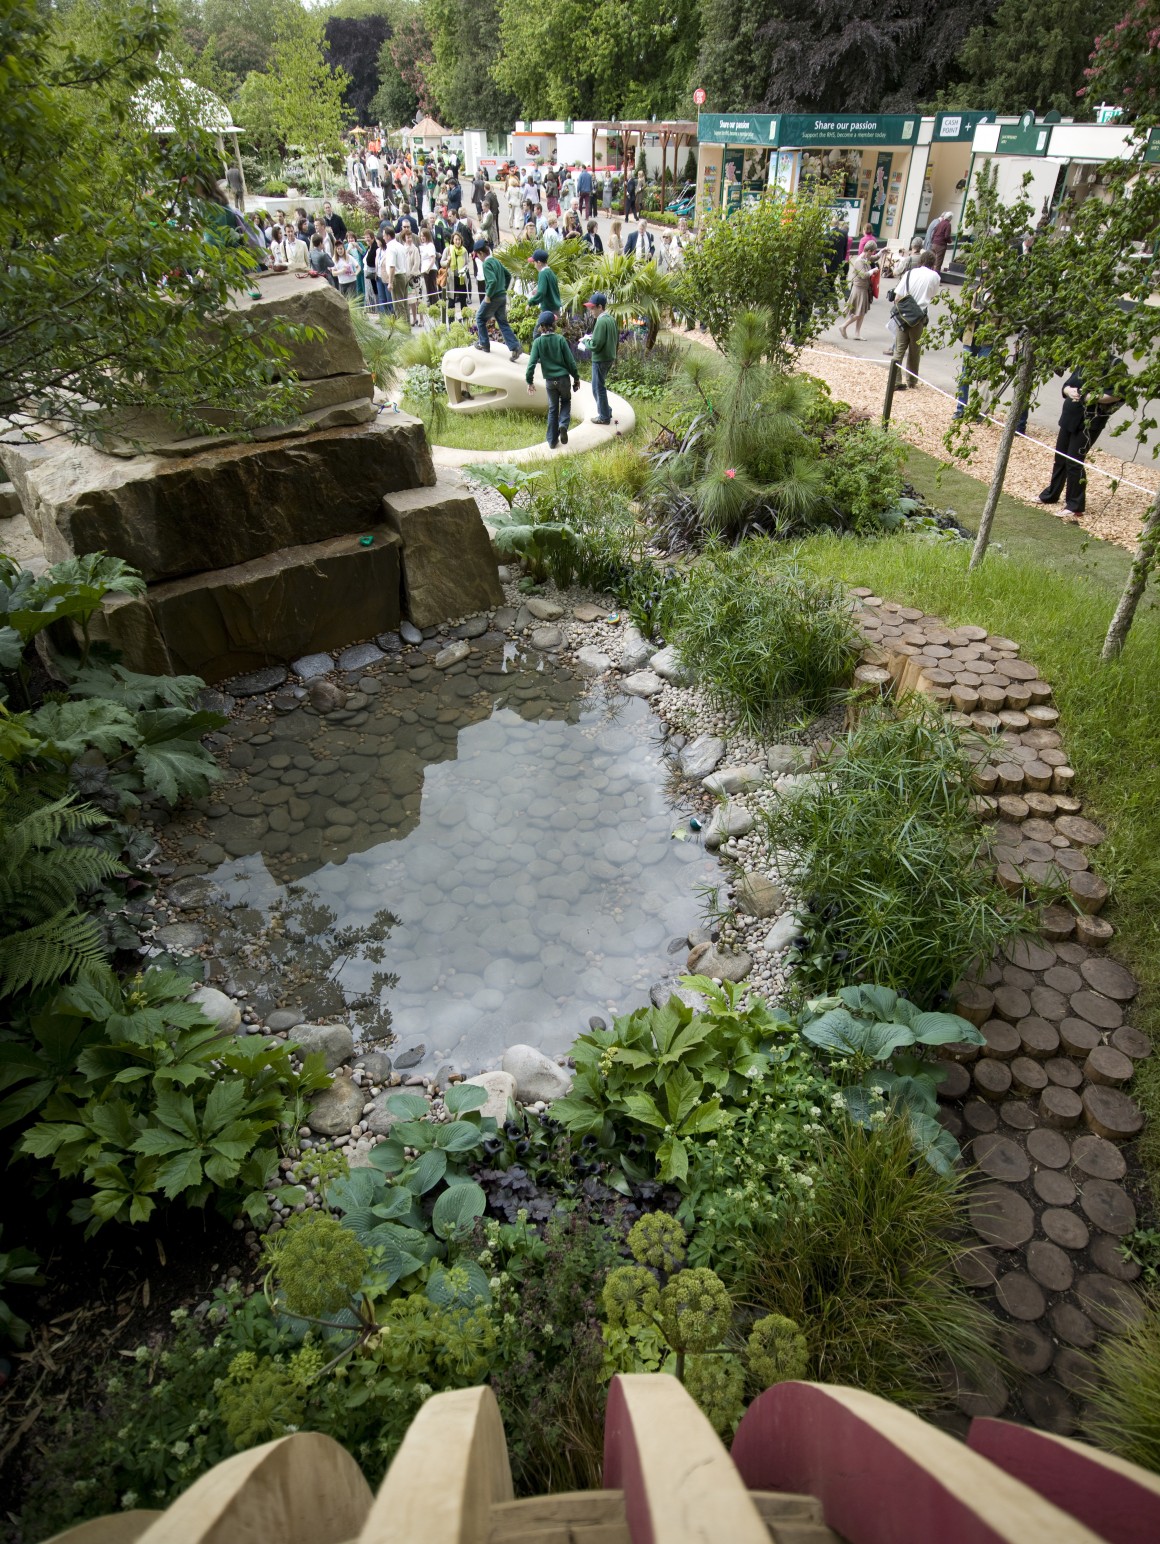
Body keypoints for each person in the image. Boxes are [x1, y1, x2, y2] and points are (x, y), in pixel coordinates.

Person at [1039, 367, 1123, 517]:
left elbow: (1116, 394)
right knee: (1060, 457)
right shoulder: (1084, 363)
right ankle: (1051, 495)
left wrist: (1089, 397)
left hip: (1089, 422)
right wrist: (1068, 392)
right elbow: (1066, 385)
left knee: (1074, 461)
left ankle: (1074, 505)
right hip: (1069, 418)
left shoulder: (1113, 366)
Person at [525, 311, 580, 449]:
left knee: (553, 409)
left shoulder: (538, 342)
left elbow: (531, 364)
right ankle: (563, 425)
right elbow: (570, 362)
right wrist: (576, 378)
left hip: (550, 382)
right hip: (563, 379)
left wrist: (529, 382)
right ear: (553, 324)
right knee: (566, 401)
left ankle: (552, 441)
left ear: (541, 326)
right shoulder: (560, 339)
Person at [888, 251, 940, 389]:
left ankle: (895, 380)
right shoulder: (935, 276)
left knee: (899, 348)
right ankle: (911, 380)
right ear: (933, 263)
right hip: (919, 315)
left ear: (921, 261)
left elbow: (897, 296)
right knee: (914, 350)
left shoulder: (909, 273)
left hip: (904, 313)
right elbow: (932, 295)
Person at [473, 239, 523, 359]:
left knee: (480, 318)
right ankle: (515, 347)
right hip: (502, 296)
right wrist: (503, 289)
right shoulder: (496, 261)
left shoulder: (486, 264)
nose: (477, 258)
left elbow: (492, 281)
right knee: (502, 322)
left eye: (477, 255)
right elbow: (508, 275)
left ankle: (484, 343)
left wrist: (488, 296)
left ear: (480, 253)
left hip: (494, 297)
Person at [584, 291, 617, 425]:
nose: (591, 310)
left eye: (593, 307)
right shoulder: (610, 319)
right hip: (609, 357)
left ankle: (604, 416)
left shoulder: (601, 322)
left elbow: (596, 345)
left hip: (600, 359)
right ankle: (606, 410)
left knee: (597, 388)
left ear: (600, 307)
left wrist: (585, 341)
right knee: (599, 386)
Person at [837, 239, 877, 339]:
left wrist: (882, 252)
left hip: (863, 288)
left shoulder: (865, 258)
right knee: (859, 312)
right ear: (868, 251)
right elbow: (863, 275)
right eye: (872, 252)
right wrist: (872, 271)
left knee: (861, 312)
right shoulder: (859, 261)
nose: (872, 254)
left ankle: (857, 334)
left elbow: (874, 258)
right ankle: (843, 326)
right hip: (859, 289)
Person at [442, 229, 471, 319]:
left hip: (461, 279)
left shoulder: (464, 251)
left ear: (461, 240)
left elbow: (467, 263)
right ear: (453, 240)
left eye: (459, 239)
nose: (457, 241)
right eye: (456, 239)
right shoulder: (448, 250)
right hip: (452, 279)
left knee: (463, 301)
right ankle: (451, 322)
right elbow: (441, 262)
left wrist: (464, 270)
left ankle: (465, 321)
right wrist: (448, 260)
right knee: (451, 302)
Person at [529, 249, 562, 323]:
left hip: (548, 310)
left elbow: (541, 292)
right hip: (555, 308)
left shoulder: (543, 273)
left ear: (539, 263)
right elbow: (549, 289)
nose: (534, 266)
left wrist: (531, 302)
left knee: (537, 333)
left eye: (534, 262)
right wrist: (538, 290)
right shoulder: (550, 272)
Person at [418, 223, 438, 302]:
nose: (422, 238)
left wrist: (428, 269)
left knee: (432, 289)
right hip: (425, 270)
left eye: (424, 236)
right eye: (421, 236)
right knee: (429, 290)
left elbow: (433, 259)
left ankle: (435, 305)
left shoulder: (430, 245)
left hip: (430, 270)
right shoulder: (423, 246)